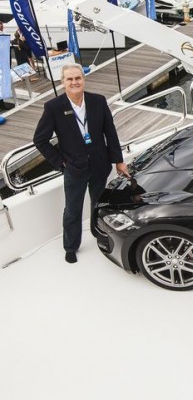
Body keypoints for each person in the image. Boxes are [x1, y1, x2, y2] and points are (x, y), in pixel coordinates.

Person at [33, 63, 130, 264]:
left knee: (98, 204)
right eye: (69, 79)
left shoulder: (98, 101)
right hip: (73, 168)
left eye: (78, 78)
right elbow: (40, 140)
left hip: (99, 165)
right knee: (72, 209)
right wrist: (61, 162)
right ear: (63, 83)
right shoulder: (54, 107)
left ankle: (98, 233)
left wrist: (118, 161)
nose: (74, 82)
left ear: (83, 80)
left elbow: (110, 133)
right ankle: (70, 246)